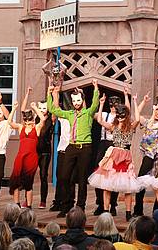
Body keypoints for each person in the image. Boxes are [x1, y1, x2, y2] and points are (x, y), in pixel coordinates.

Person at [47, 80, 99, 217]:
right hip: (72, 146)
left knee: (82, 179)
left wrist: (95, 87)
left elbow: (95, 104)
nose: (76, 103)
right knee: (64, 176)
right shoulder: (70, 114)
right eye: (74, 101)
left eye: (78, 100)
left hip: (85, 147)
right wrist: (49, 94)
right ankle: (66, 205)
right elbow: (53, 110)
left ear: (82, 100)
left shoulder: (88, 113)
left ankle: (80, 206)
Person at [88, 93, 141, 221]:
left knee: (127, 187)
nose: (120, 117)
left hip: (126, 157)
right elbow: (100, 120)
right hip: (114, 155)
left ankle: (128, 213)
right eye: (118, 114)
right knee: (107, 185)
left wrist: (134, 101)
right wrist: (101, 104)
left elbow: (138, 119)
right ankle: (106, 211)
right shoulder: (113, 126)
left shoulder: (130, 127)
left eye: (123, 114)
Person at [93, 87, 130, 217]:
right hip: (104, 145)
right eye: (112, 104)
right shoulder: (105, 114)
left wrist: (126, 96)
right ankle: (101, 204)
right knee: (100, 173)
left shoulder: (123, 119)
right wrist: (101, 103)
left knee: (116, 175)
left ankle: (113, 204)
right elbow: (96, 116)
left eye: (116, 104)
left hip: (116, 145)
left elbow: (128, 111)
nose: (114, 107)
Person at [8, 99, 45, 208]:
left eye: (30, 121)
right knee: (16, 183)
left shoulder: (36, 128)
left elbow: (42, 119)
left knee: (28, 184)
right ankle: (17, 206)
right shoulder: (21, 127)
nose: (28, 123)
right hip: (20, 158)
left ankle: (28, 206)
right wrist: (14, 108)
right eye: (26, 121)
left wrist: (35, 107)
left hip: (31, 159)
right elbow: (9, 122)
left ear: (33, 119)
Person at [49, 86, 71, 212]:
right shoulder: (63, 118)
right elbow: (56, 109)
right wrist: (55, 94)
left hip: (72, 150)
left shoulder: (78, 118)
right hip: (62, 149)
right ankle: (58, 201)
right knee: (60, 177)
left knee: (68, 178)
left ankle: (66, 203)